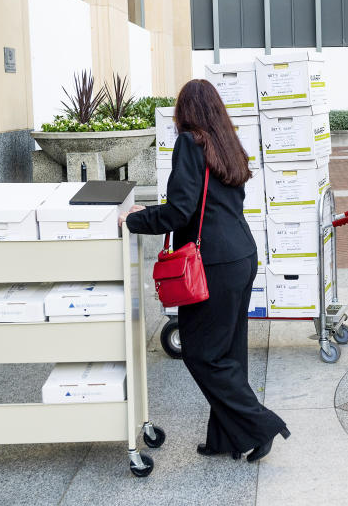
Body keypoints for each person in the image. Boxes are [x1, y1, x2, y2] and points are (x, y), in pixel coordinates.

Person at [120, 79, 289, 463]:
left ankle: (260, 424)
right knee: (229, 350)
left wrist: (136, 220)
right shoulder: (227, 142)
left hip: (212, 261)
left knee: (200, 353)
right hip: (242, 255)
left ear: (186, 111)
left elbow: (180, 209)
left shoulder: (190, 143)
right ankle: (225, 438)